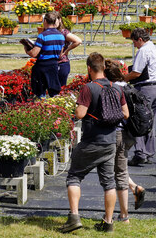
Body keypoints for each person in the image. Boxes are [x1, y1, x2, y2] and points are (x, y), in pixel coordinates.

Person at [61, 52, 128, 233]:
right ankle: (108, 222)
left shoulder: (88, 88)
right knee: (109, 183)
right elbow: (126, 114)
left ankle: (74, 217)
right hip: (110, 142)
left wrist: (77, 107)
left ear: (89, 69)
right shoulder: (117, 88)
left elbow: (80, 114)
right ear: (104, 68)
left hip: (91, 141)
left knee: (74, 176)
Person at [104, 59, 146, 223]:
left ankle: (124, 216)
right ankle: (135, 188)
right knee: (118, 168)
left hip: (119, 133)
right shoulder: (127, 87)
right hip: (130, 134)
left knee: (119, 172)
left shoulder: (113, 90)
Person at [125, 28, 156, 167]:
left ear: (140, 39)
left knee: (138, 120)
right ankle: (148, 152)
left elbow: (136, 72)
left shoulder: (143, 51)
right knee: (149, 121)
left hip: (145, 88)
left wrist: (123, 78)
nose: (134, 44)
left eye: (134, 41)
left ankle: (140, 153)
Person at [25, 12, 81, 97]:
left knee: (41, 93)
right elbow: (59, 54)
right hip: (54, 65)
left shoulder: (42, 35)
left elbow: (34, 53)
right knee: (54, 92)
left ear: (45, 21)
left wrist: (27, 49)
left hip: (42, 66)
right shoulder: (61, 36)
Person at [56, 14, 82, 90]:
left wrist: (67, 51)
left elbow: (78, 41)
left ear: (60, 20)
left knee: (61, 88)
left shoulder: (63, 32)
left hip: (61, 63)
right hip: (50, 63)